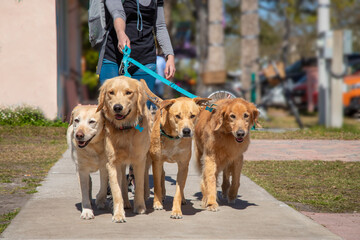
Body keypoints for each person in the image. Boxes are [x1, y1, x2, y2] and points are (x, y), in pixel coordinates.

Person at [97, 0, 176, 90]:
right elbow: (117, 13)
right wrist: (121, 33)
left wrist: (170, 56)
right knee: (113, 102)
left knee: (142, 103)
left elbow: (160, 26)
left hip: (145, 58)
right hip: (113, 56)